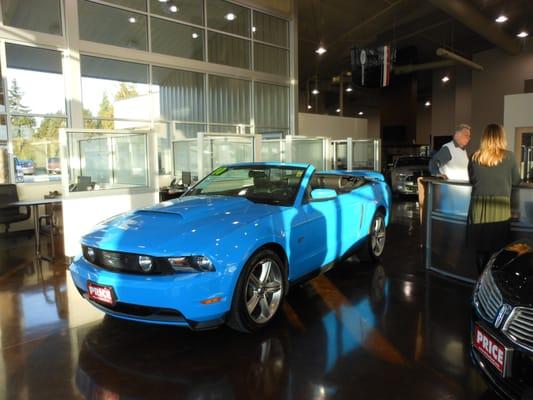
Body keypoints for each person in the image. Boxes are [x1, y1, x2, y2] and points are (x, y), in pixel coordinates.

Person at [468, 123, 520, 273]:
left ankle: (480, 280)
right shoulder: (509, 156)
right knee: (497, 247)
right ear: (501, 137)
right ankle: (492, 282)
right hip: (500, 206)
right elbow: (516, 181)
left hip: (479, 205)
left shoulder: (474, 157)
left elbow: (472, 180)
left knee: (480, 247)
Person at [418, 124, 471, 225]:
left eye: (469, 136)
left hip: (462, 197)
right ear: (457, 135)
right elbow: (433, 162)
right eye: (466, 135)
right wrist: (437, 173)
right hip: (451, 197)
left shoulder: (462, 150)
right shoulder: (448, 149)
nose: (469, 138)